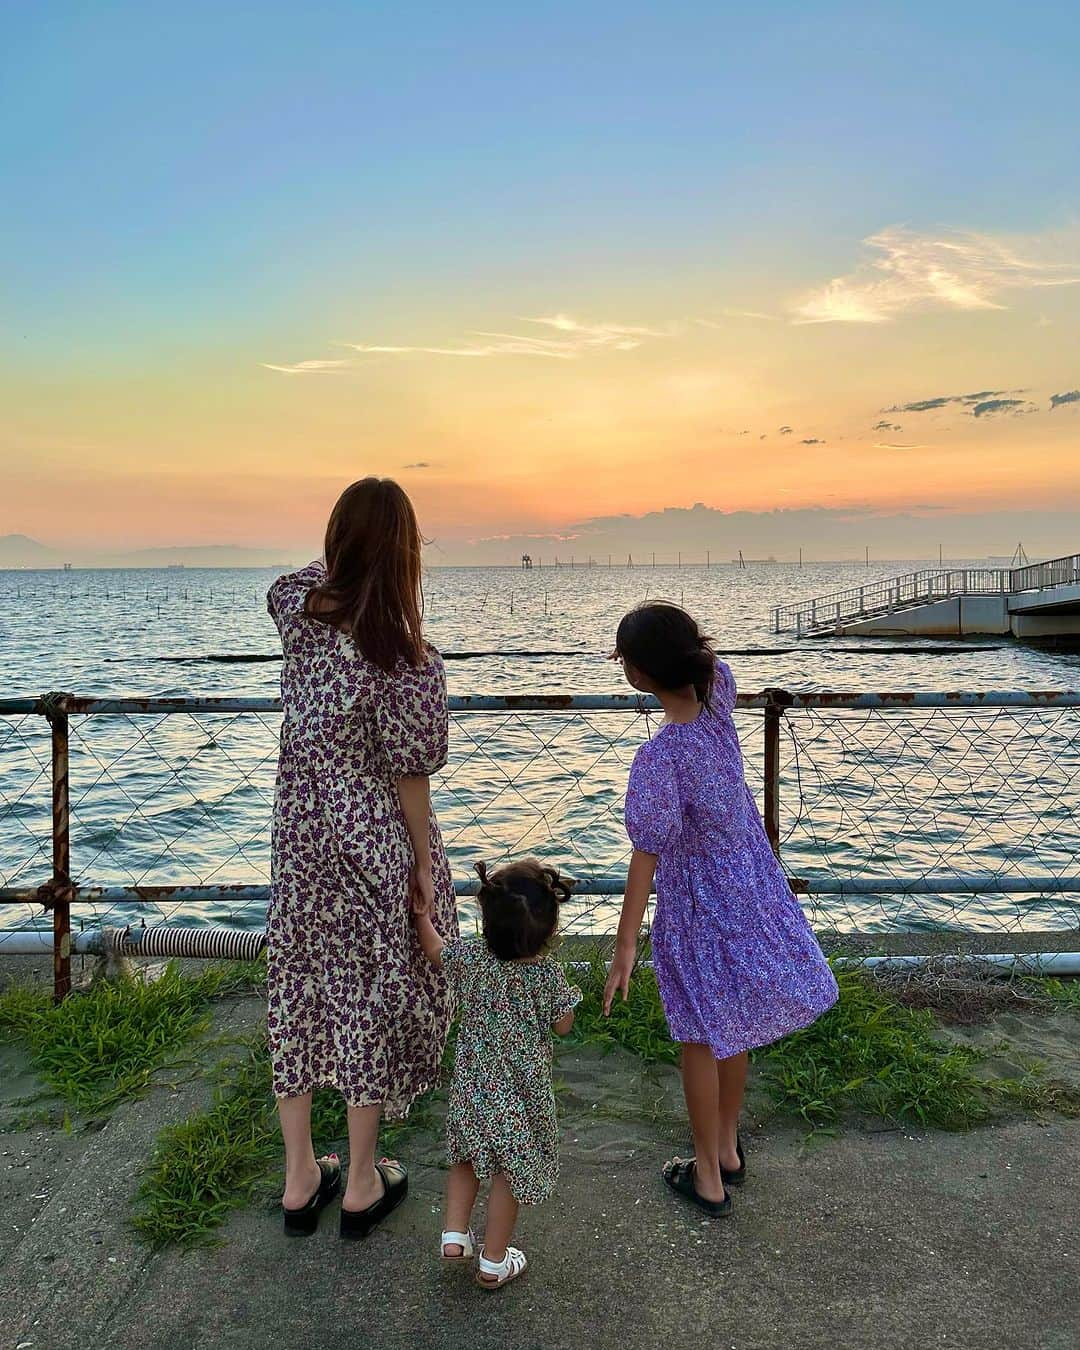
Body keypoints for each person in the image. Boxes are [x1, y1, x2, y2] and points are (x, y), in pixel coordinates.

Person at [266, 477, 457, 1238]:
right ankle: (362, 1180)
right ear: (407, 555)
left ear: (336, 542)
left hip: (302, 839)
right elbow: (413, 778)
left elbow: (297, 580)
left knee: (301, 985)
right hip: (373, 842)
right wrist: (422, 864)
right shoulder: (406, 658)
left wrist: (342, 570)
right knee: (370, 995)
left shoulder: (298, 616)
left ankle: (299, 1175)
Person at [604, 602, 838, 1217]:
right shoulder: (718, 706)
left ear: (637, 676)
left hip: (697, 905)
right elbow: (714, 664)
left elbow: (645, 857)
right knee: (730, 1022)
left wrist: (625, 945)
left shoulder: (660, 760)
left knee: (698, 1037)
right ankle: (728, 1145)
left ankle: (707, 1174)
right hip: (750, 889)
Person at [413, 859, 581, 1288]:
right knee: (509, 1169)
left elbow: (435, 952)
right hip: (521, 1094)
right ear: (547, 931)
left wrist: (421, 917)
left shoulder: (472, 959)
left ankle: (454, 1235)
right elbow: (563, 1024)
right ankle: (493, 1259)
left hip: (473, 1085)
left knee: (466, 1157)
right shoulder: (544, 974)